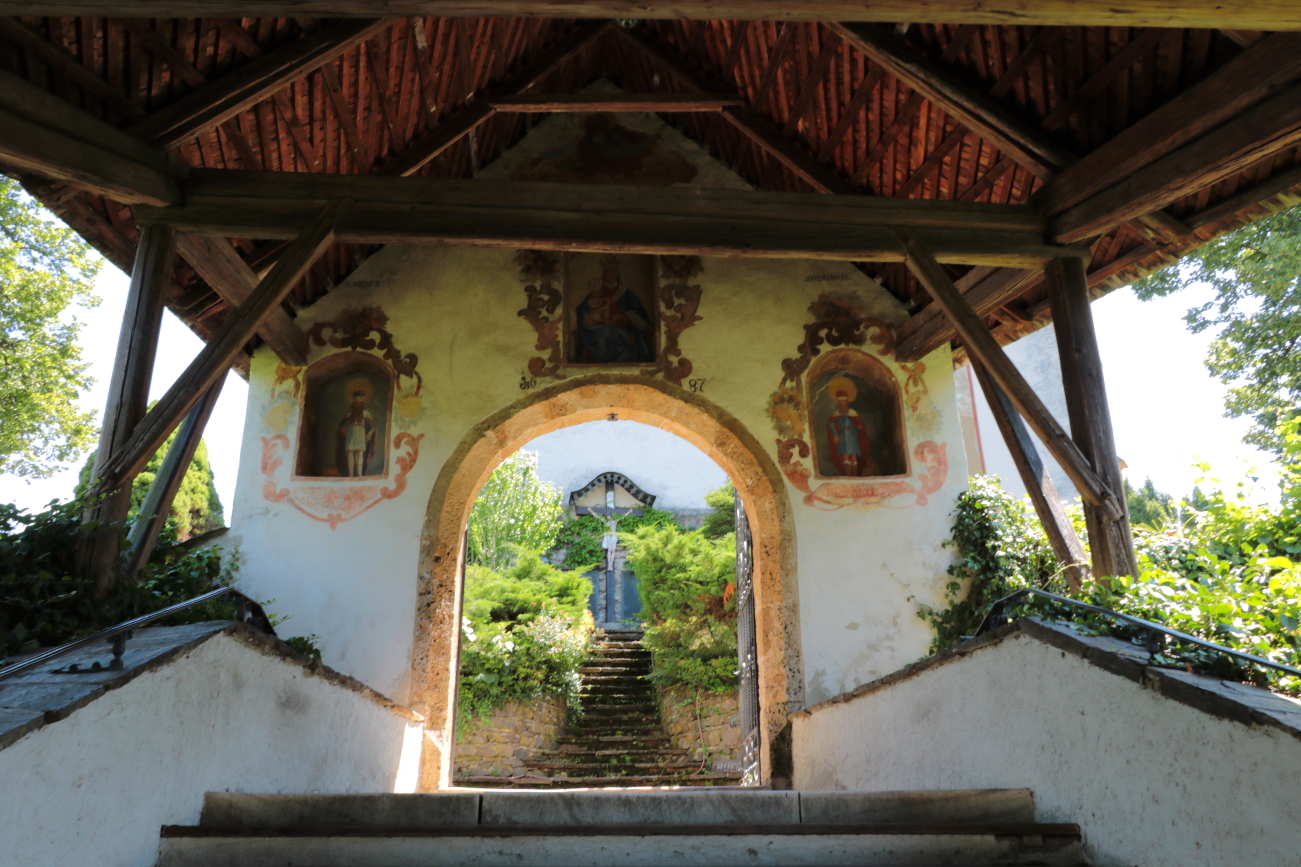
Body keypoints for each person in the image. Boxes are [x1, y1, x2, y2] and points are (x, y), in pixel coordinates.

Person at [573, 255, 654, 364]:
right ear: (604, 274)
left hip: (622, 327)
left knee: (612, 335)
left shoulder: (626, 293)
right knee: (601, 339)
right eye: (608, 272)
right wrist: (585, 315)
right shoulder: (597, 291)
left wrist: (621, 317)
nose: (611, 275)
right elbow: (582, 308)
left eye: (614, 272)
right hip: (600, 326)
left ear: (618, 274)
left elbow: (638, 311)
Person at [825, 376, 870, 476]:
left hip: (852, 435)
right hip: (842, 436)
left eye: (844, 401)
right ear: (838, 402)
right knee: (845, 457)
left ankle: (855, 477)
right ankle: (848, 477)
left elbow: (859, 423)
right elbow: (831, 424)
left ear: (847, 402)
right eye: (840, 401)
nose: (842, 403)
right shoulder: (836, 413)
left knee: (853, 457)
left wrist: (859, 427)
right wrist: (835, 435)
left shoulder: (852, 412)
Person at [336, 379, 377, 477]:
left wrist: (369, 434)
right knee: (350, 454)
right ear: (354, 401)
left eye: (360, 400)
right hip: (351, 434)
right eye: (357, 400)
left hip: (361, 435)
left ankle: (359, 475)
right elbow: (343, 425)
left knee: (360, 454)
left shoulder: (365, 413)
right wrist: (343, 429)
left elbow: (373, 426)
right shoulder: (350, 414)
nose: (358, 402)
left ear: (363, 402)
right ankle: (350, 475)